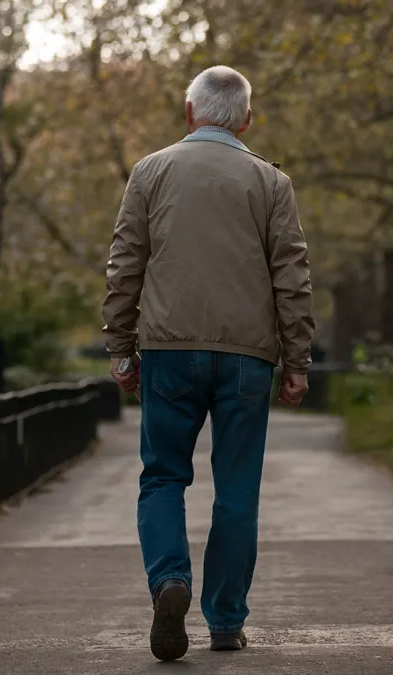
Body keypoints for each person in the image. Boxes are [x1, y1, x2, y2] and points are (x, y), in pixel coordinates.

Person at [101, 65, 315, 662]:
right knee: (237, 489)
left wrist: (121, 347)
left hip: (169, 351)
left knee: (164, 475)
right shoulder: (272, 183)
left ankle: (170, 580)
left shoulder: (150, 171)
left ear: (189, 112)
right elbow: (291, 278)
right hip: (248, 358)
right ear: (246, 119)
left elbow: (125, 265)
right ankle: (226, 622)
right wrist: (296, 359)